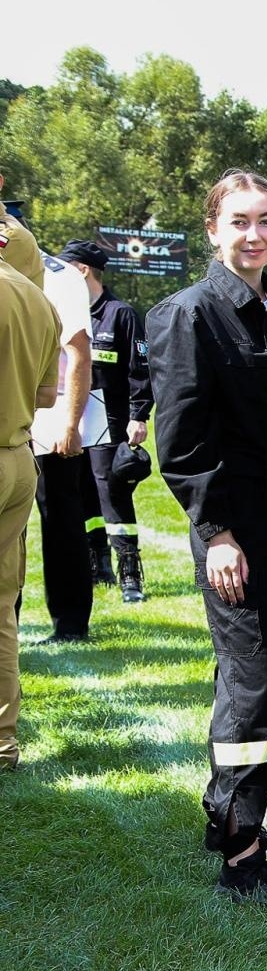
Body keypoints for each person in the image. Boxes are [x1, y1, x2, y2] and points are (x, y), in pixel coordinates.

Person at [148, 169, 267, 901]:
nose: (254, 234)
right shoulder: (188, 315)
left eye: (266, 221)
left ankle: (229, 816)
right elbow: (180, 442)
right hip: (234, 538)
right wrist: (215, 532)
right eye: (239, 221)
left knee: (258, 676)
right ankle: (242, 853)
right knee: (254, 680)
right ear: (213, 230)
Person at [57, 239, 152, 603]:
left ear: (82, 270)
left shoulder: (120, 314)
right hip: (72, 421)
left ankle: (130, 573)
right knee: (82, 496)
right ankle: (98, 566)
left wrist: (138, 415)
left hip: (111, 424)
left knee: (112, 496)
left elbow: (140, 369)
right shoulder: (67, 312)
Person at [0, 248, 64, 770]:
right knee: (1, 610)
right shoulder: (36, 297)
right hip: (17, 459)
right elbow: (47, 396)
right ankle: (2, 743)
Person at [26, 251, 95, 644]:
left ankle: (70, 623)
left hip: (49, 416)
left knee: (61, 521)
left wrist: (71, 423)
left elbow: (78, 352)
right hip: (12, 410)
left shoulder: (60, 276)